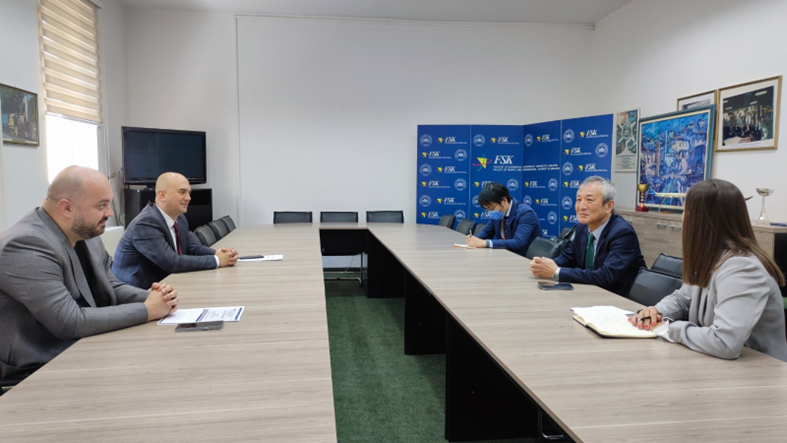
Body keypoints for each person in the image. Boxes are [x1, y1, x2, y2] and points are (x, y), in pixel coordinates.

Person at [0, 166, 178, 380]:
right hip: (39, 368)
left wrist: (154, 297)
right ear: (67, 207)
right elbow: (69, 322)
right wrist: (147, 310)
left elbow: (111, 286)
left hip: (83, 346)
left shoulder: (85, 232)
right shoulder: (25, 245)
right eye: (101, 205)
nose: (109, 213)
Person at [630, 179, 787, 361]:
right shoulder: (711, 257)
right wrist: (657, 312)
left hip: (762, 370)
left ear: (701, 220)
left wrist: (668, 329)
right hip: (720, 363)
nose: (683, 218)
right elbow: (682, 299)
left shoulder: (742, 268)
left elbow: (724, 342)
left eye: (686, 211)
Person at [113, 172, 238, 289]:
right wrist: (217, 260)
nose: (188, 198)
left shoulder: (180, 218)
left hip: (165, 285)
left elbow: (192, 248)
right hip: (135, 293)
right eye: (182, 192)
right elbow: (172, 263)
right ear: (162, 195)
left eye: (189, 193)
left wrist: (218, 254)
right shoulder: (146, 223)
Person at [530, 176, 646, 296]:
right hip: (590, 294)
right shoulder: (582, 228)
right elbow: (568, 258)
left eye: (589, 200)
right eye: (579, 200)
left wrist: (556, 272)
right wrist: (544, 265)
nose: (581, 207)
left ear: (609, 206)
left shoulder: (622, 233)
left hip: (619, 299)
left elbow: (606, 276)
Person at [465, 182, 540, 257]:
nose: (490, 212)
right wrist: (474, 239)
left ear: (504, 201)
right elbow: (487, 232)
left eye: (491, 208)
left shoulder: (525, 214)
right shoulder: (499, 213)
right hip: (506, 256)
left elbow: (518, 243)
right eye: (487, 210)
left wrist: (486, 243)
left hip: (525, 259)